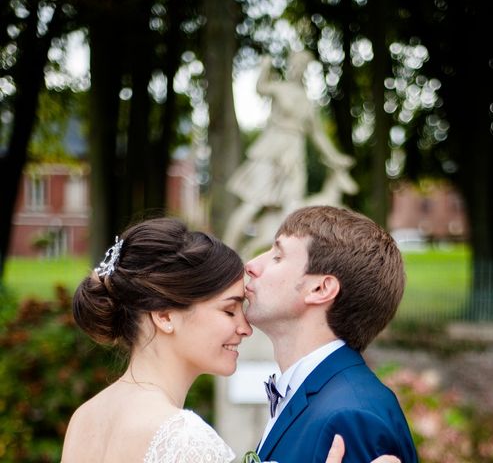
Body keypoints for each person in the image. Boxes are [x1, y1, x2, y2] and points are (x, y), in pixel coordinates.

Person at [61, 217, 400, 463]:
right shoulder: (184, 438)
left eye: (278, 256)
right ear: (164, 316)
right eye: (229, 310)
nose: (245, 327)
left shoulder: (85, 418)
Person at [245, 205, 418, 463]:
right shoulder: (322, 396)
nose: (251, 265)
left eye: (277, 257)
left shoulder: (351, 416)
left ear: (320, 288)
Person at [224, 51, 355, 253]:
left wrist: (334, 157)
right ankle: (225, 254)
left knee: (292, 208)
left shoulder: (306, 101)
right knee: (251, 204)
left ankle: (287, 259)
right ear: (290, 65)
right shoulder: (280, 88)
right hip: (270, 151)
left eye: (303, 64)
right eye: (296, 63)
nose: (298, 68)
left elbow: (318, 134)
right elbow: (261, 88)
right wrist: (265, 67)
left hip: (294, 154)